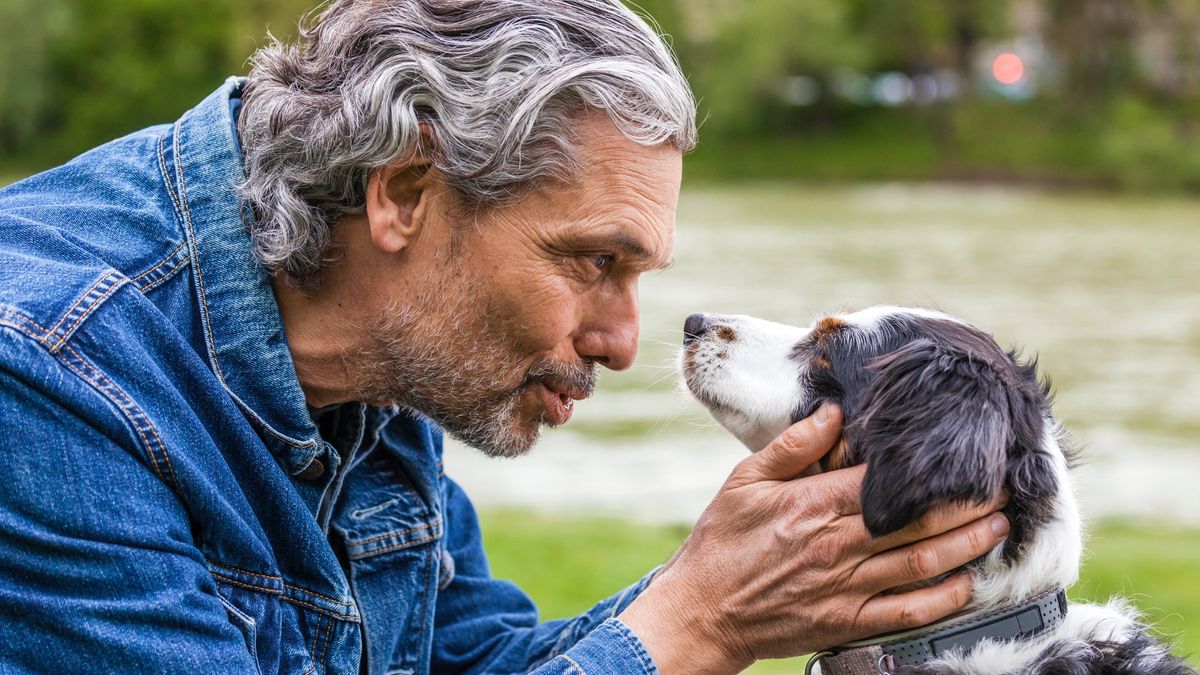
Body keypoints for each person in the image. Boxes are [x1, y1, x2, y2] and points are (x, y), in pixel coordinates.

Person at [0, 1, 1008, 673]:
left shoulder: (361, 341)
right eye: (592, 263)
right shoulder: (44, 374)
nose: (620, 342)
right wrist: (699, 620)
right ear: (405, 194)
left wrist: (738, 585)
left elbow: (480, 659)